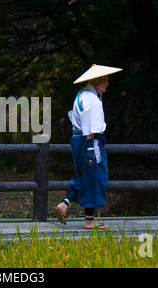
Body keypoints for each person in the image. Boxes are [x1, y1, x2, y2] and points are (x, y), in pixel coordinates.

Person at [55, 64, 122, 230]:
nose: (107, 83)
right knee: (94, 176)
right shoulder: (91, 99)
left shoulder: (83, 94)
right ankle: (89, 221)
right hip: (89, 140)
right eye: (104, 80)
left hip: (80, 140)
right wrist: (91, 148)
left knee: (85, 175)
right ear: (95, 80)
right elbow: (89, 126)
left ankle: (65, 204)